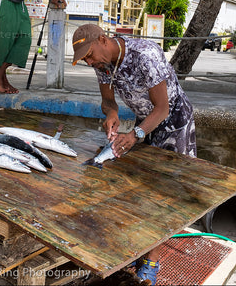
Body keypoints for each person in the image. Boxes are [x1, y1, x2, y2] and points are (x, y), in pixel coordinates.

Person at [72, 23, 196, 286]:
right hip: (145, 121)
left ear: (103, 40)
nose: (89, 62)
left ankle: (152, 259)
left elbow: (162, 108)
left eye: (89, 55)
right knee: (143, 188)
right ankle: (142, 244)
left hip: (175, 121)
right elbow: (108, 100)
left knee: (167, 192)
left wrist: (136, 135)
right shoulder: (102, 64)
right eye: (84, 59)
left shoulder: (144, 55)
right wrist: (113, 114)